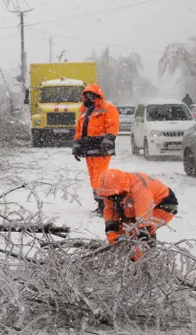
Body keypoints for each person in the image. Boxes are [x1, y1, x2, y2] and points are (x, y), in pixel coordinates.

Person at [96, 168, 178, 260]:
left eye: (115, 196)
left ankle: (147, 260)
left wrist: (140, 245)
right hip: (132, 204)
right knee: (122, 232)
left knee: (141, 232)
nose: (112, 199)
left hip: (163, 205)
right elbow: (110, 210)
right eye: (110, 197)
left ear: (123, 189)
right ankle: (123, 257)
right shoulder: (114, 190)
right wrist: (111, 231)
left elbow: (144, 222)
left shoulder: (141, 190)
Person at [72, 83, 120, 214]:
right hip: (88, 149)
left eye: (91, 95)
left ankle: (106, 205)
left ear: (98, 95)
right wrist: (76, 146)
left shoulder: (108, 108)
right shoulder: (83, 111)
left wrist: (107, 142)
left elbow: (113, 126)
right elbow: (79, 130)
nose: (88, 98)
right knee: (94, 177)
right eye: (86, 95)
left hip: (101, 149)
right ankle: (100, 204)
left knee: (101, 177)